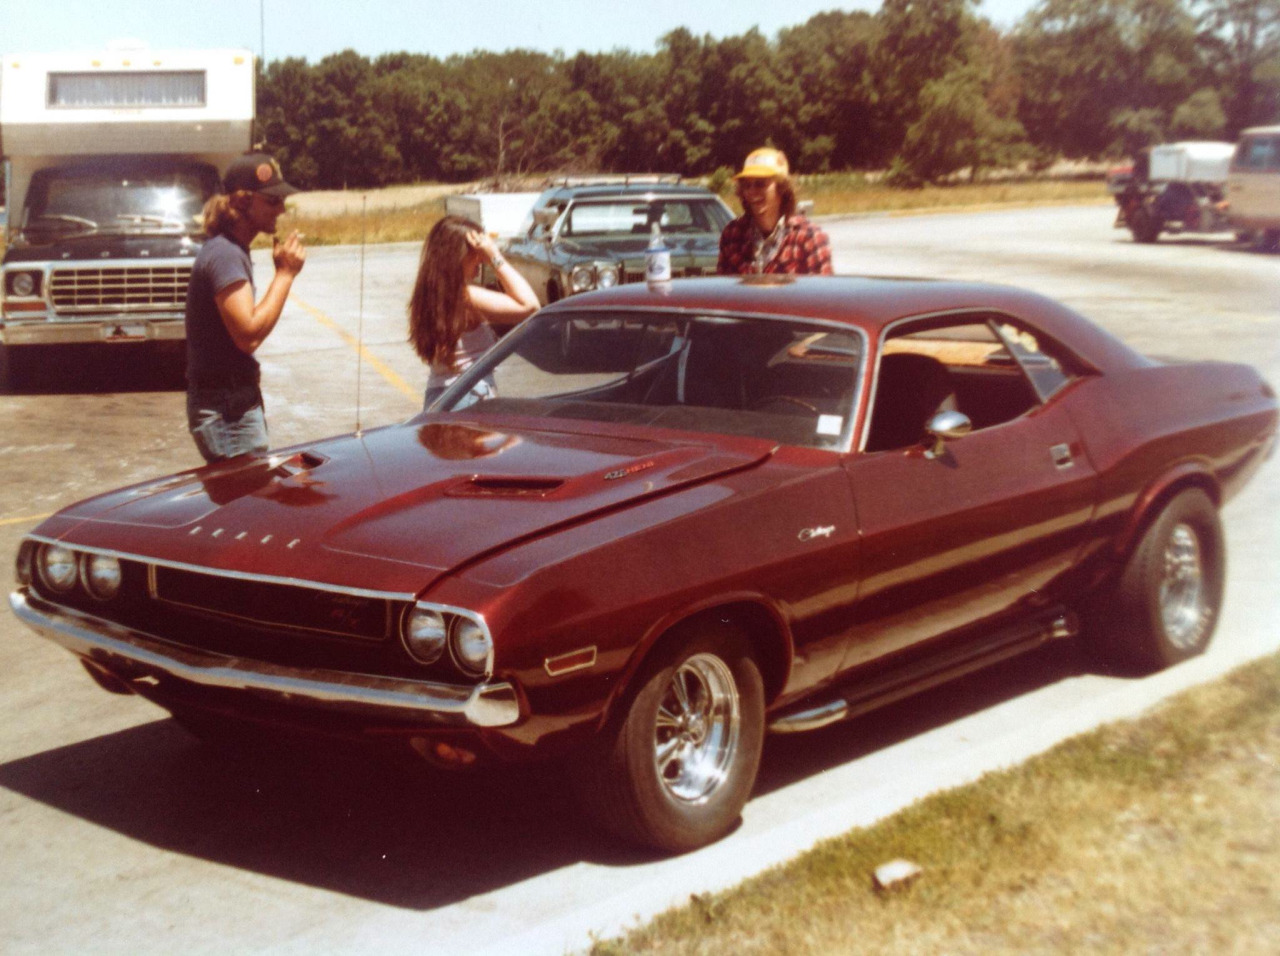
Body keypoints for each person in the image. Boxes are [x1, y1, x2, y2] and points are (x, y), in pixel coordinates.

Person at [185, 152, 306, 463]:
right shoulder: (225, 255)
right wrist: (285, 274)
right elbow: (248, 335)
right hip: (228, 412)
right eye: (272, 201)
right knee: (248, 494)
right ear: (242, 201)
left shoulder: (229, 249)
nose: (281, 209)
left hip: (231, 404)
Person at [408, 215, 539, 409]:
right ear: (457, 256)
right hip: (468, 396)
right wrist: (494, 257)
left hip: (438, 397)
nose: (480, 258)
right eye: (475, 252)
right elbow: (530, 306)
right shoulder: (466, 297)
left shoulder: (429, 297)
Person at [716, 147, 833, 276]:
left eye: (760, 184)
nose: (752, 191)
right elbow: (722, 287)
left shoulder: (808, 237)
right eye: (746, 185)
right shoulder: (732, 235)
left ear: (782, 188)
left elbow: (823, 288)